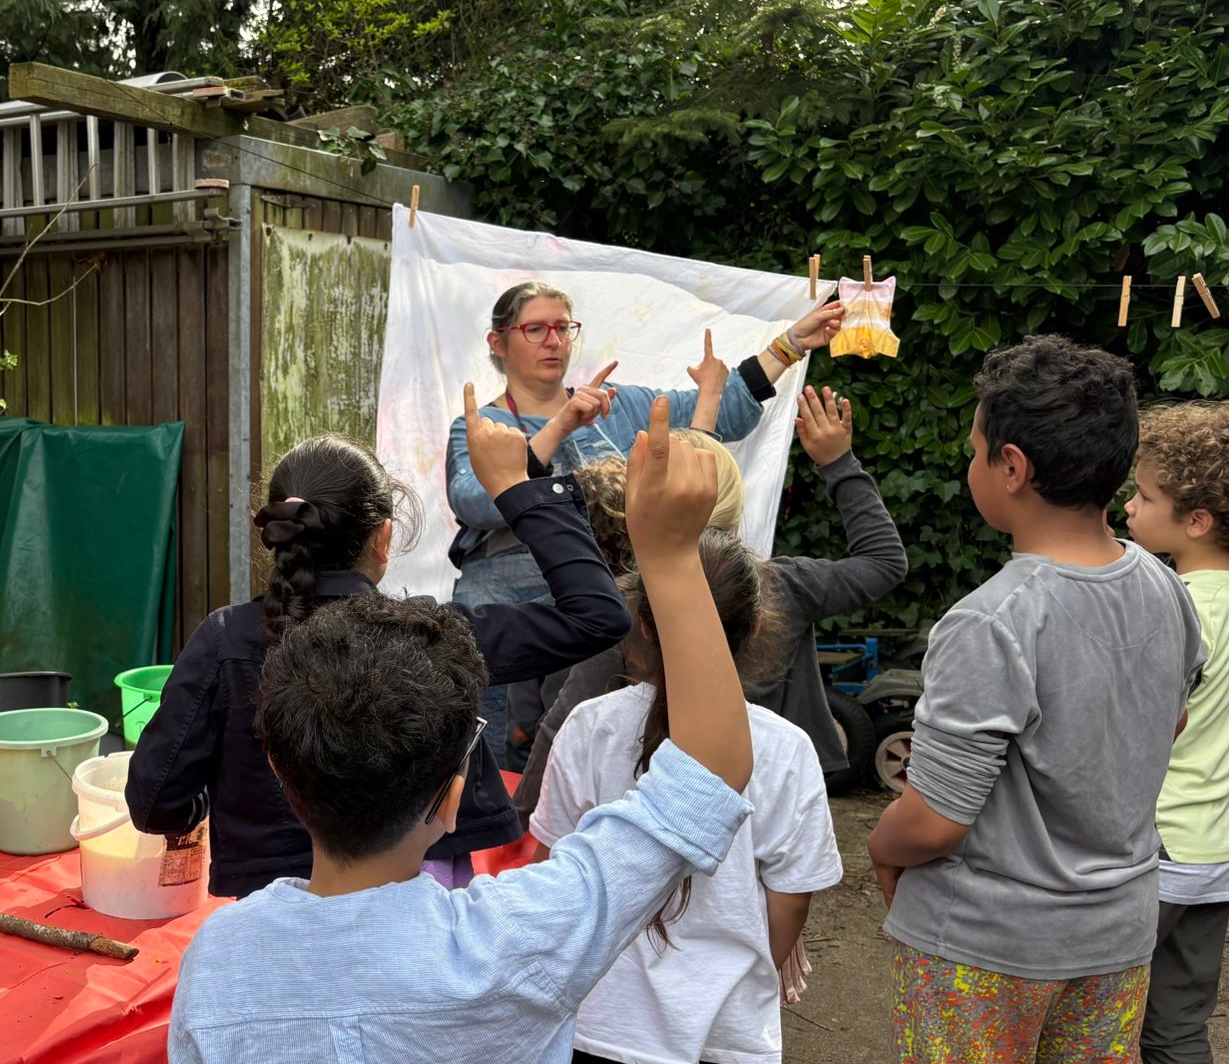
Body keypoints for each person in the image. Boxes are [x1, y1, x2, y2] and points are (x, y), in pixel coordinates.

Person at [169, 396, 757, 1064]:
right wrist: (670, 557)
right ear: (453, 798)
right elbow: (710, 771)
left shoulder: (220, 963)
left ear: (283, 773)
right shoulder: (523, 940)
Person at [865, 336, 1205, 1064]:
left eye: (975, 449)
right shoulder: (1166, 587)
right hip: (1117, 929)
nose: (972, 462)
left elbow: (936, 819)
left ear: (1011, 466)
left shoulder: (993, 619)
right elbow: (1172, 721)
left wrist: (882, 850)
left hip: (986, 942)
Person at [125, 387, 628, 899]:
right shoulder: (433, 637)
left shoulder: (225, 639)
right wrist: (515, 486)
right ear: (383, 537)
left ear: (278, 535)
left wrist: (235, 813)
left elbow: (155, 801)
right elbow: (598, 616)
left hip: (270, 910)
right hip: (421, 913)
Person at [446, 281, 844, 768]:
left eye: (563, 328)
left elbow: (729, 411)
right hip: (506, 632)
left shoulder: (619, 406)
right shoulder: (481, 424)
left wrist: (792, 343)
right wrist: (561, 425)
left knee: (594, 760)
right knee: (487, 766)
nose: (553, 341)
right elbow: (474, 503)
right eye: (535, 329)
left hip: (601, 627)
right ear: (498, 342)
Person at [530, 528, 841, 1064]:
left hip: (597, 1009)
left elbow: (551, 872)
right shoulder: (785, 749)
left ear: (642, 625)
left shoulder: (588, 727)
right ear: (752, 632)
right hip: (720, 1011)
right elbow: (791, 897)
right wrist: (749, 968)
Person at [518, 386, 905, 818]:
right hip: (770, 802)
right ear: (736, 500)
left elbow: (564, 722)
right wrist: (838, 464)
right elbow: (885, 561)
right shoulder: (786, 586)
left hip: (654, 813)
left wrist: (523, 819)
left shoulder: (621, 603)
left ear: (639, 503)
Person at [1122, 398, 1229, 1064]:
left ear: (1197, 520)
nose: (1129, 503)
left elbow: (1156, 720)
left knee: (1096, 1028)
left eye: (1146, 495)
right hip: (1215, 850)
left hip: (1150, 849)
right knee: (1178, 1033)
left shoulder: (1176, 603)